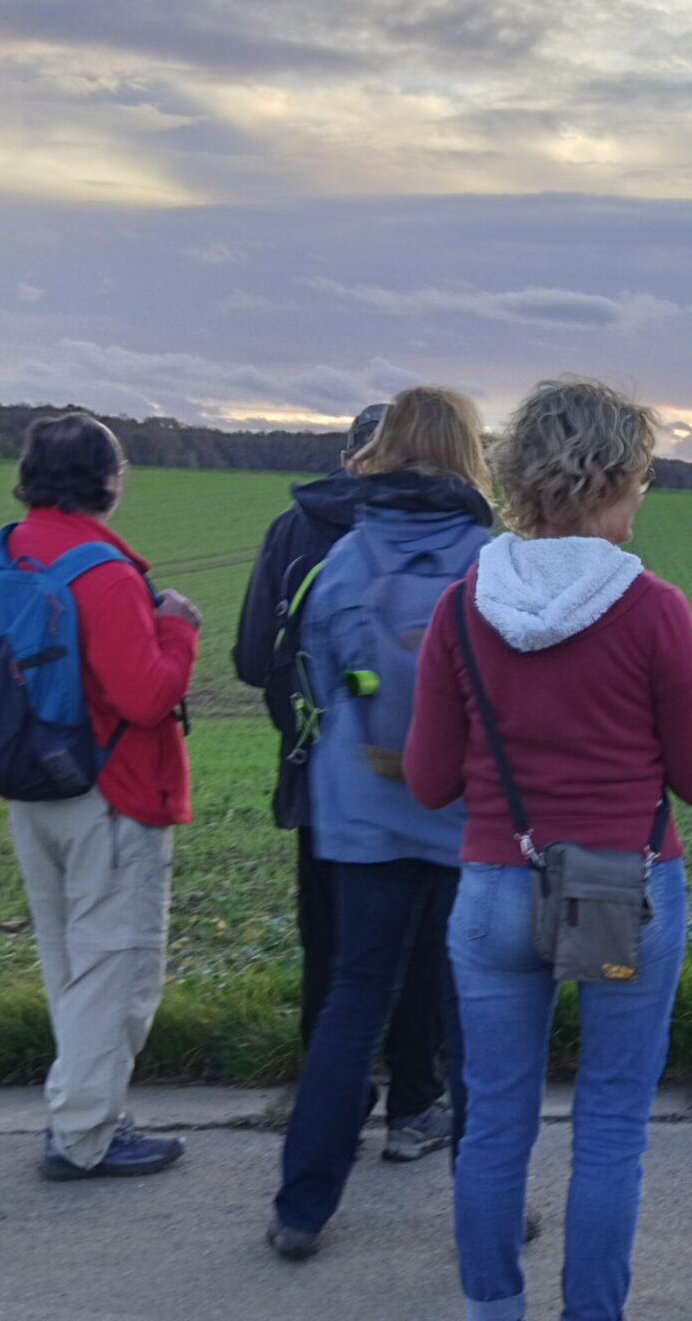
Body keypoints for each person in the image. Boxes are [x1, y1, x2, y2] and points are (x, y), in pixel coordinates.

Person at [406, 377, 692, 1321]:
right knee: (611, 1127)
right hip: (617, 887)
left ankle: (491, 1308)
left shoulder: (462, 606)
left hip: (497, 886)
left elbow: (428, 782)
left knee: (495, 1123)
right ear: (613, 478)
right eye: (642, 478)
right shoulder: (654, 608)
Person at [268, 387, 496, 1258]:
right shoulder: (490, 563)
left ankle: (301, 1208)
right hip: (465, 823)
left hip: (360, 820)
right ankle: (486, 1206)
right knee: (475, 1014)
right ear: (467, 455)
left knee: (352, 1005)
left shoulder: (344, 561)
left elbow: (312, 685)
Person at [0, 412, 199, 1180]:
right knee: (116, 967)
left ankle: (75, 1112)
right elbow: (145, 696)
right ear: (110, 480)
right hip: (113, 792)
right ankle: (87, 1135)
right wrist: (177, 630)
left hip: (31, 784)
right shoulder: (102, 570)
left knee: (68, 959)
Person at [240, 404, 456, 1148]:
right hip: (432, 794)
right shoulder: (453, 541)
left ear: (347, 453)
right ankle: (415, 1109)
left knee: (336, 966)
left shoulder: (293, 530)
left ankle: (328, 1117)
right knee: (427, 956)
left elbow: (249, 656)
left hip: (319, 777)